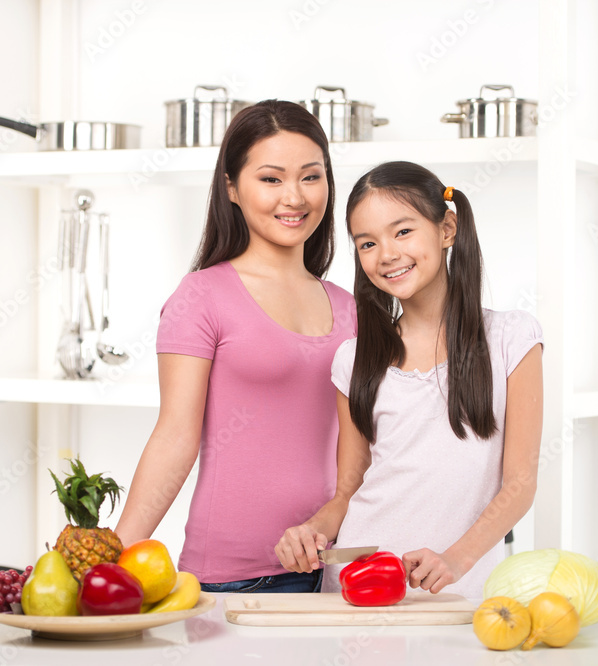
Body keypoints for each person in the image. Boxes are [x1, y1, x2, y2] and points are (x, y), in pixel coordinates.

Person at [114, 100, 357, 594]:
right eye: (271, 179)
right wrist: (112, 559)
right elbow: (174, 439)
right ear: (232, 187)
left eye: (311, 177)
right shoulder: (201, 297)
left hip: (332, 571)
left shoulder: (351, 308)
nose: (294, 196)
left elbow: (360, 457)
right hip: (233, 580)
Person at [274, 161, 543, 599]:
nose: (386, 255)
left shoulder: (512, 338)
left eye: (403, 232)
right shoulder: (355, 360)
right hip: (360, 585)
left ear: (447, 229)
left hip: (462, 588)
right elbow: (349, 490)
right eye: (367, 243)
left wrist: (456, 558)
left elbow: (520, 483)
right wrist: (310, 531)